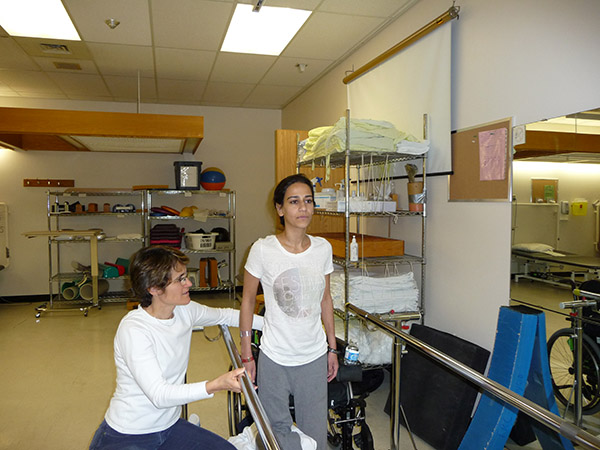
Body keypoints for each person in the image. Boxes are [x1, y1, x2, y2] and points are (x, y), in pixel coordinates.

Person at [90, 245, 263, 450]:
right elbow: (160, 395)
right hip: (128, 435)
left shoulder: (184, 310)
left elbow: (226, 315)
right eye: (180, 279)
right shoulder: (134, 330)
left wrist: (280, 328)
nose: (189, 283)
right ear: (154, 289)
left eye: (186, 276)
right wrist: (216, 384)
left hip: (169, 427)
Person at [239, 173, 339, 450]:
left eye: (308, 201)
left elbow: (326, 300)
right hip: (275, 355)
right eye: (294, 202)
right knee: (275, 430)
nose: (303, 208)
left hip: (313, 355)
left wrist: (332, 348)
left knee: (315, 434)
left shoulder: (323, 249)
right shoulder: (262, 249)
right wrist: (247, 353)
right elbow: (248, 300)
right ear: (280, 209)